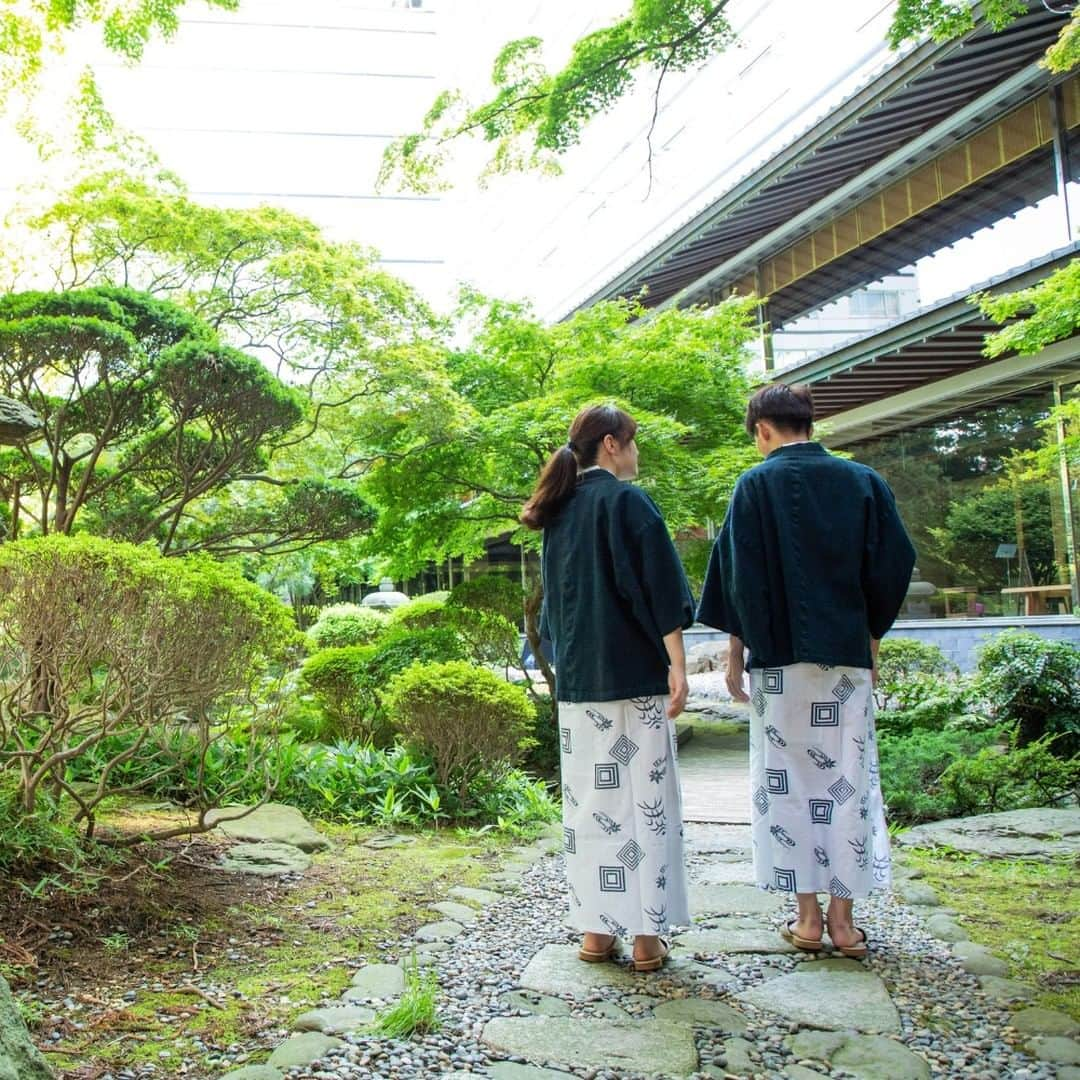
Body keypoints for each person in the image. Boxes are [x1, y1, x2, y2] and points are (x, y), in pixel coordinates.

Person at [697, 384, 915, 958]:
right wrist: (869, 633)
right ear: (810, 424)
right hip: (845, 659)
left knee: (787, 786)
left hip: (779, 663)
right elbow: (895, 563)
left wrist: (735, 656)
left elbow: (739, 579)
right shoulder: (863, 482)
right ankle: (846, 926)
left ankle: (808, 920)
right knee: (847, 782)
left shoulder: (754, 486)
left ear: (761, 430)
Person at [521, 404, 694, 972]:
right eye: (635, 443)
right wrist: (678, 665)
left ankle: (596, 933)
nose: (637, 454)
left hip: (579, 688)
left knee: (591, 808)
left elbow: (552, 612)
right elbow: (661, 591)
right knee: (645, 806)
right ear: (613, 444)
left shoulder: (558, 511)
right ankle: (646, 940)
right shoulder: (629, 502)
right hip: (634, 681)